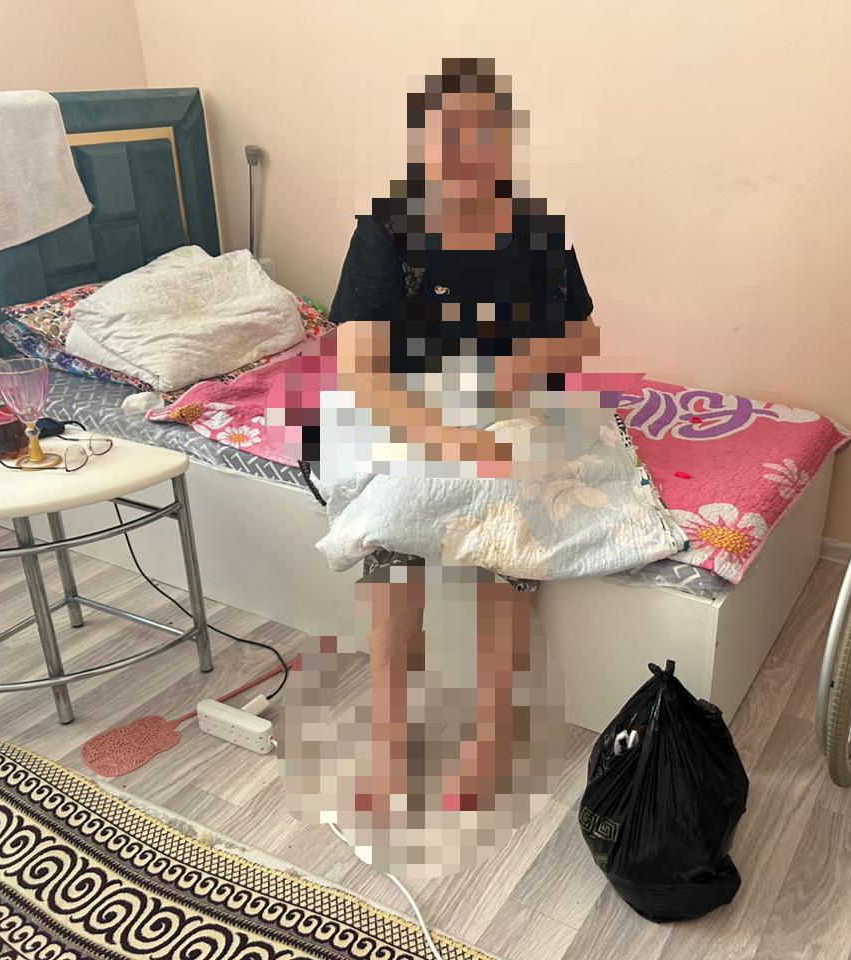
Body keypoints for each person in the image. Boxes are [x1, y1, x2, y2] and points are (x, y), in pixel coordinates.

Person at [322, 57, 598, 818]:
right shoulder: (386, 232)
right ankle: (393, 726)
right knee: (397, 512)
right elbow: (361, 370)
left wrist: (506, 381)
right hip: (408, 405)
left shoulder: (538, 231)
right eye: (449, 138)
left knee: (512, 504)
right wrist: (445, 435)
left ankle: (495, 727)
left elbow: (580, 340)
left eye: (485, 137)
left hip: (515, 403)